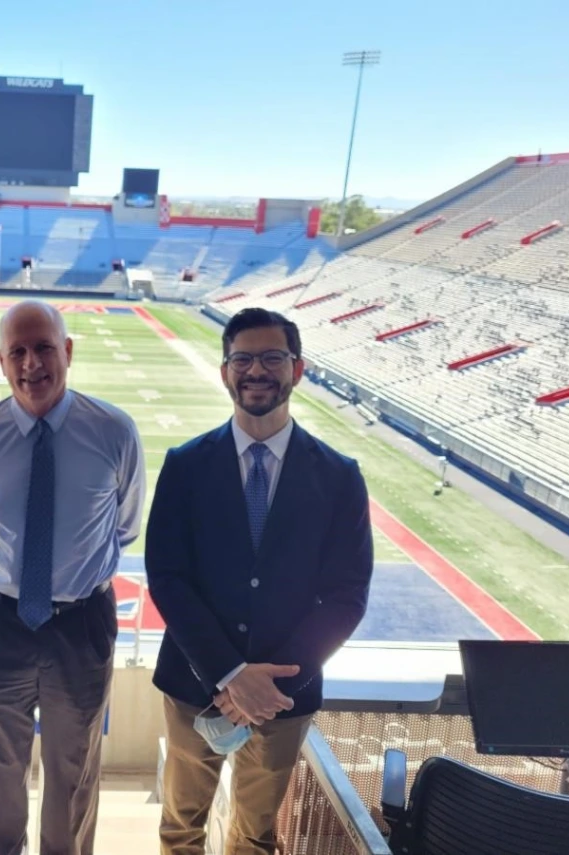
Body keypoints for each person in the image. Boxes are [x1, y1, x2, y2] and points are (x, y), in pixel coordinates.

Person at [146, 307, 374, 855]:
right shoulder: (185, 465)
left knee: (255, 837)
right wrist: (228, 673)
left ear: (297, 369)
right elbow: (169, 578)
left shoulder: (339, 476)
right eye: (242, 359)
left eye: (273, 358)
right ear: (225, 371)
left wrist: (268, 689)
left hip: (282, 697)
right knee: (181, 829)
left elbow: (347, 596)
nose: (256, 371)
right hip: (193, 686)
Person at [0, 300, 146, 855]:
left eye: (44, 348)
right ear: (1, 360)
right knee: (0, 766)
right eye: (18, 351)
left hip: (80, 623)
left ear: (69, 352)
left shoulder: (113, 432)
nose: (32, 363)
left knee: (74, 770)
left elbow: (125, 526)